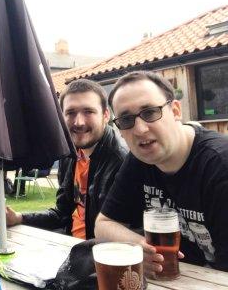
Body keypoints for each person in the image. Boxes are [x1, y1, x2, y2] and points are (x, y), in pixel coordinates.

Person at [95, 71, 228, 275]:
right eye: (127, 119)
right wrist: (139, 246)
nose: (140, 130)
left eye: (149, 112)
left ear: (175, 111)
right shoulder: (139, 159)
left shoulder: (219, 165)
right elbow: (103, 224)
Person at [6, 79, 127, 239]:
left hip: (95, 253)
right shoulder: (70, 155)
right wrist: (20, 217)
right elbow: (62, 213)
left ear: (106, 115)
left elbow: (121, 231)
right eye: (70, 113)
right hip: (68, 242)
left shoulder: (121, 161)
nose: (78, 122)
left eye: (88, 112)